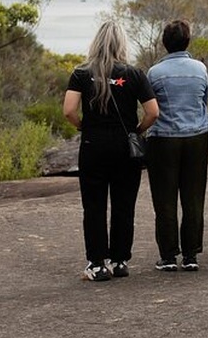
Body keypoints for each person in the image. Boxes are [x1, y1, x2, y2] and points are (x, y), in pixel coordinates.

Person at [63, 20, 158, 281]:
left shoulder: (81, 73)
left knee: (93, 206)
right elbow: (153, 112)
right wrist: (137, 131)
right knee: (123, 204)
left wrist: (84, 126)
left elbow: (69, 110)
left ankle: (96, 264)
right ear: (121, 43)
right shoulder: (135, 74)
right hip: (124, 148)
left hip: (93, 146)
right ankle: (119, 261)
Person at [146, 20, 208, 272]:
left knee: (164, 198)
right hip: (197, 136)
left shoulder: (154, 72)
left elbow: (150, 107)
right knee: (194, 197)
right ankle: (191, 254)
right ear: (187, 41)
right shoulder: (200, 69)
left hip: (163, 138)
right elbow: (204, 100)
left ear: (165, 42)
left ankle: (168, 255)